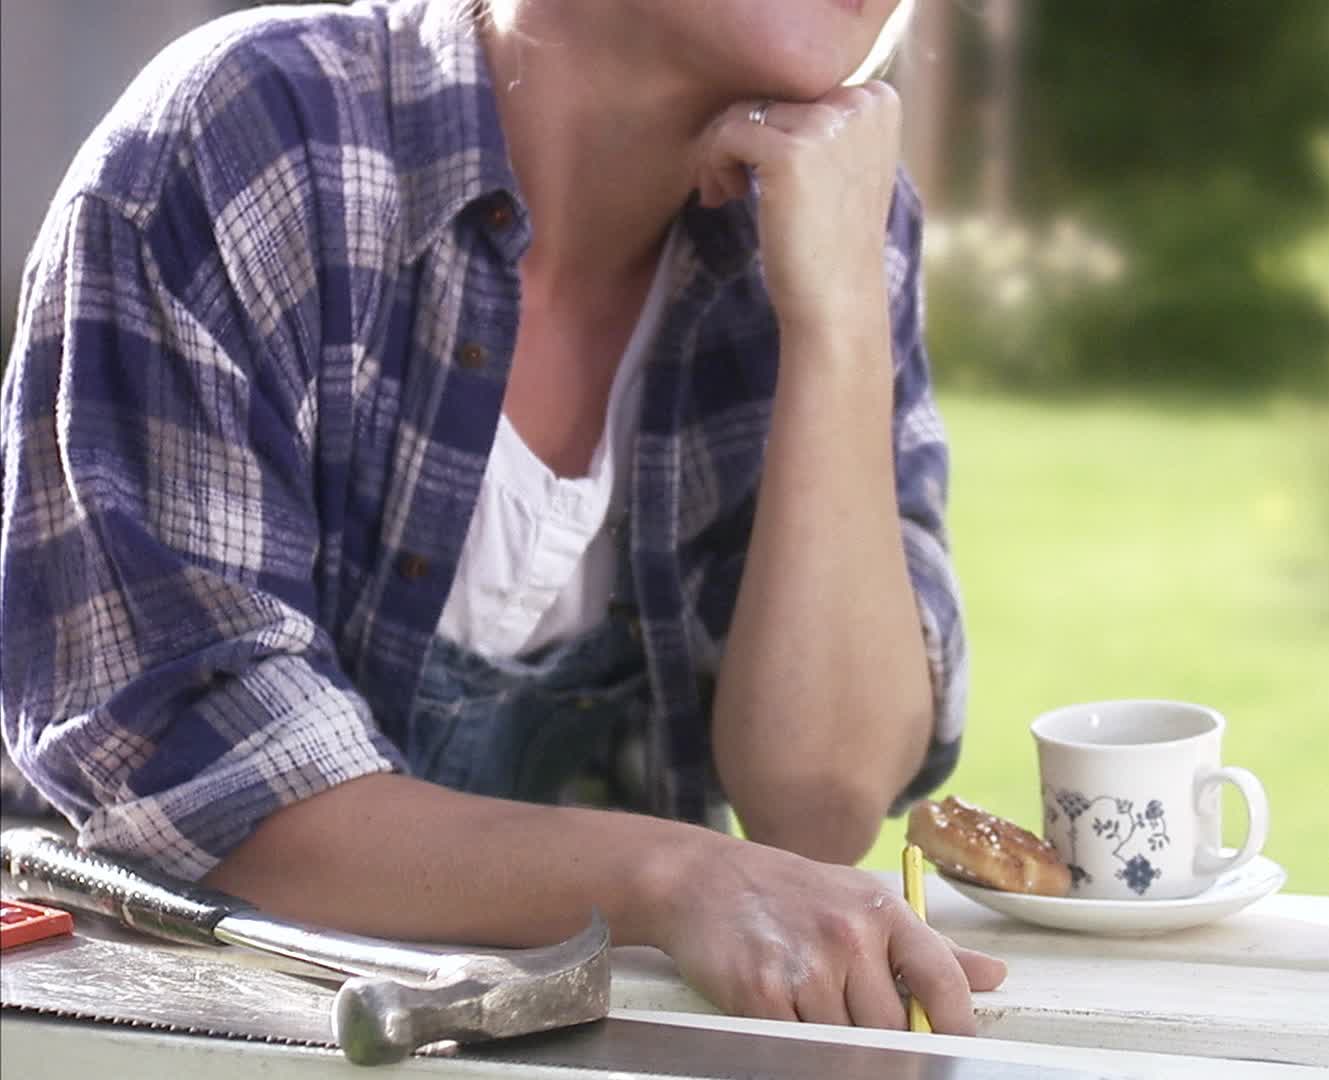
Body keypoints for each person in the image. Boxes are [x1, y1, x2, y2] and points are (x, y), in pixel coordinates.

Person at [0, 0, 1004, 1032]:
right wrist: (672, 874)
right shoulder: (254, 134)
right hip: (139, 1030)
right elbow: (207, 790)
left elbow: (818, 804)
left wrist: (833, 317)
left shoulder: (828, 200)